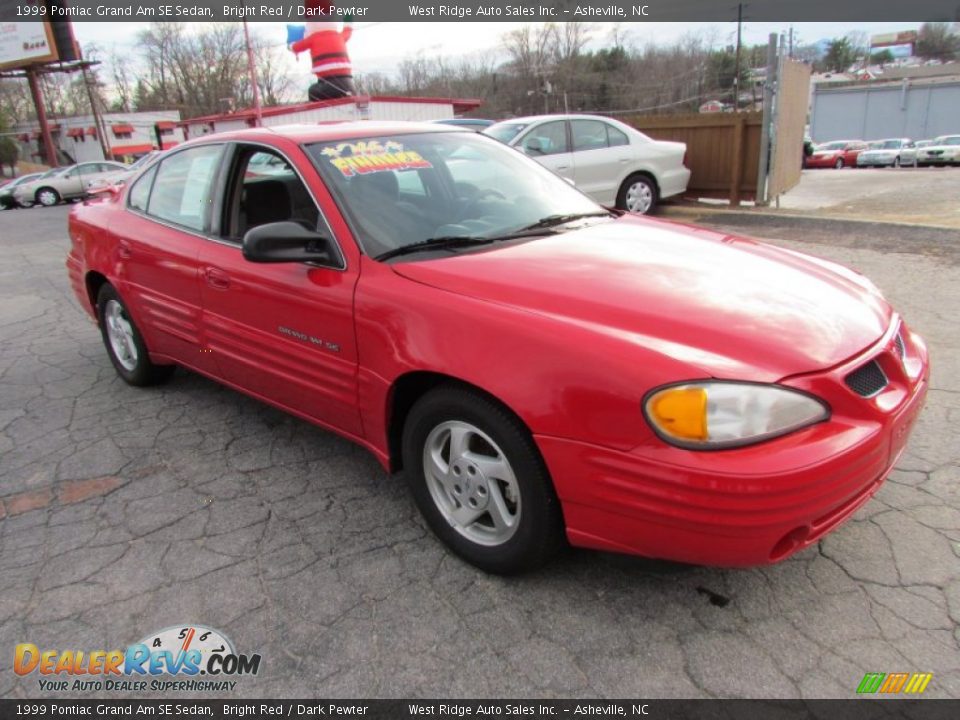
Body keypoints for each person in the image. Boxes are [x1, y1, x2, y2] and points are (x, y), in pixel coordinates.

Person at [291, 1, 355, 101]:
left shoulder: (313, 38)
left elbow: (295, 47)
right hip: (348, 83)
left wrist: (291, 45)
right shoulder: (339, 36)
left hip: (328, 83)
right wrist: (348, 16)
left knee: (313, 91)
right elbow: (348, 30)